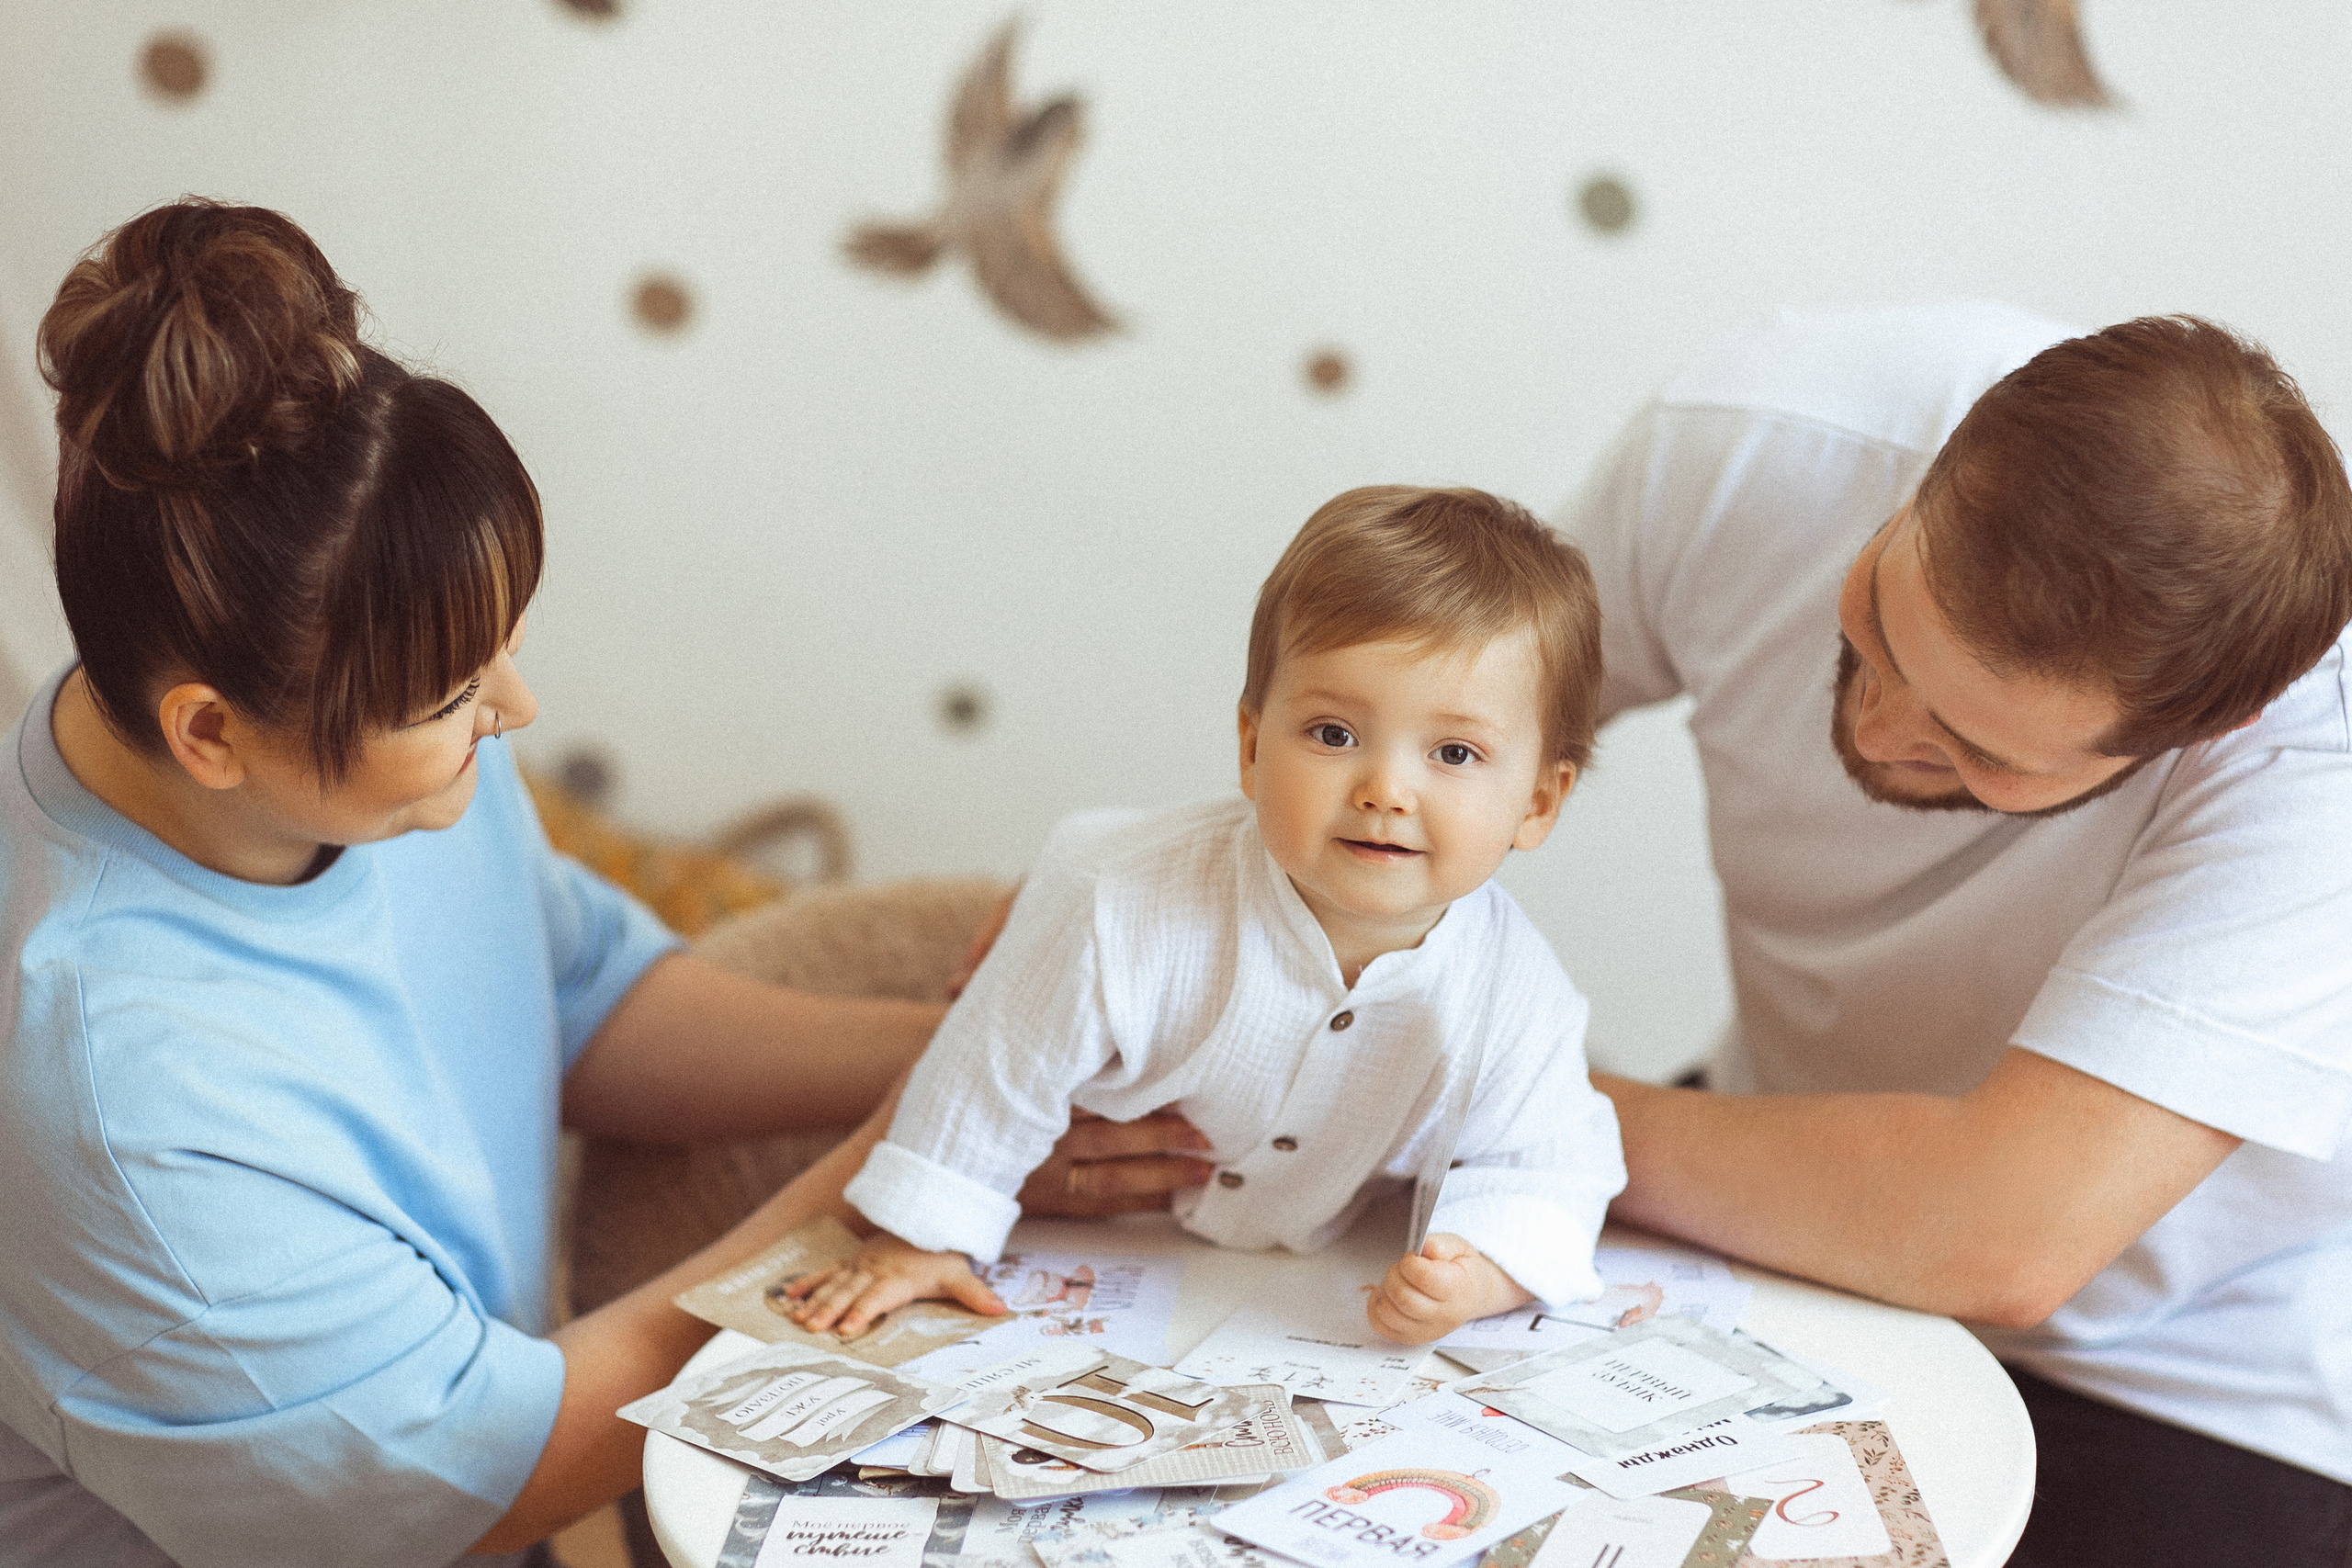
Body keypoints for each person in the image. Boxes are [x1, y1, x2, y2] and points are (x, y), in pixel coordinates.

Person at [0, 198, 1205, 1568]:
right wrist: (912, 1168)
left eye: (500, 646)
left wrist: (979, 1056)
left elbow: (573, 993)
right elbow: (477, 1483)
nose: (514, 706)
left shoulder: (288, 698)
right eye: (453, 693)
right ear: (210, 733)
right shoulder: (121, 1108)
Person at [1570, 304, 2352, 1565]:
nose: (1877, 729)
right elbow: (1432, 721)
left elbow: (2002, 1235)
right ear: (1932, 473)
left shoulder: (2322, 772)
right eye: (1880, 625)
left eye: (1979, 749)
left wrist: (1495, 1109)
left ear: (2206, 730)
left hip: (2179, 1367)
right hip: (1762, 1187)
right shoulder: (1765, 437)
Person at [785, 487, 1629, 1345]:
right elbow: (993, 1069)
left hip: (1296, 1285)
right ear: (1252, 745)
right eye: (1334, 734)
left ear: (1538, 802)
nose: (1385, 790)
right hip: (1094, 1240)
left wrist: (1482, 1269)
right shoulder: (1119, 903)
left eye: (1454, 752)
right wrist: (924, 1237)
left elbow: (1555, 1164)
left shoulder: (1515, 990)